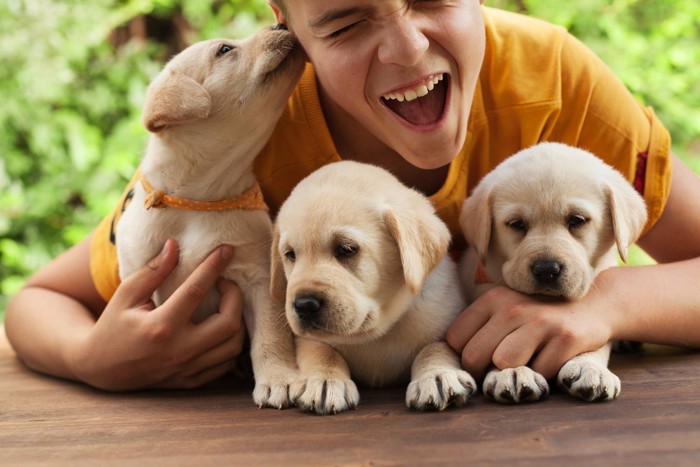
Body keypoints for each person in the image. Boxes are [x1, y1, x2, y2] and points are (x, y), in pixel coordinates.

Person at [5, 0, 700, 390]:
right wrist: (88, 358)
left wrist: (613, 299)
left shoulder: (554, 82)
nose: (405, 49)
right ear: (288, 25)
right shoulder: (254, 128)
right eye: (344, 23)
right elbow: (40, 300)